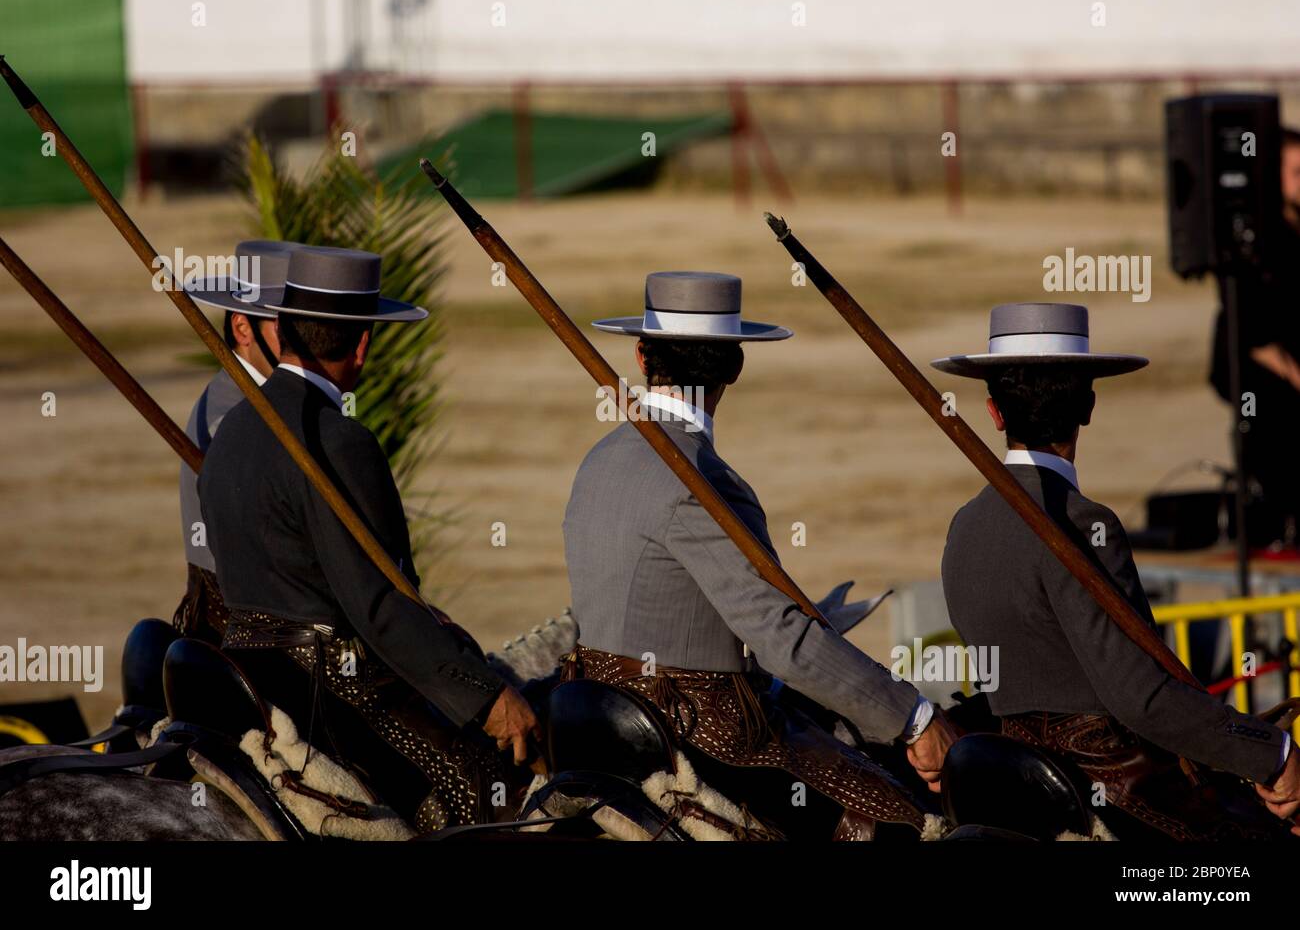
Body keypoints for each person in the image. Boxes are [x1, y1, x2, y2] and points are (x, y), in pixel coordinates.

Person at [561, 271, 957, 840]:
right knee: (904, 819)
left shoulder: (596, 460)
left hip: (592, 719)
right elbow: (782, 640)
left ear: (643, 354)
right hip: (698, 736)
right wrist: (913, 718)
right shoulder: (705, 484)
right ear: (735, 367)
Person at [199, 245, 540, 832]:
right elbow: (382, 608)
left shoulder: (230, 426)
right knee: (495, 792)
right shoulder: (341, 440)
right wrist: (485, 699)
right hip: (330, 692)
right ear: (362, 345)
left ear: (281, 331)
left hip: (251, 678)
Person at [935, 302, 1299, 840]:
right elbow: (1141, 698)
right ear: (1088, 405)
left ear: (993, 412)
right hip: (1111, 795)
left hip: (1013, 778)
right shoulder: (1084, 524)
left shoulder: (964, 527)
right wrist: (1274, 755)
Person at [174, 240, 299, 642]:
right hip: (259, 630)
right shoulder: (233, 417)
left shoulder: (265, 398)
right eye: (287, 325)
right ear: (243, 328)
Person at [1209, 126, 1300, 544]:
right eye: (1296, 172)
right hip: (1258, 377)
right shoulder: (1252, 240)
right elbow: (1255, 333)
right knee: (1266, 418)